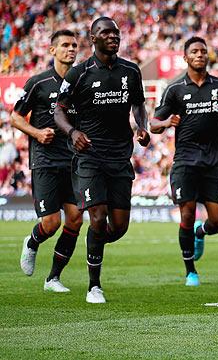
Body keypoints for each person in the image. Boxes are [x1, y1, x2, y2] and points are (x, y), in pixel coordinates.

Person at [54, 17, 150, 304]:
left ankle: (92, 243)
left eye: (116, 33)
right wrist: (72, 132)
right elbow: (58, 112)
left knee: (118, 227)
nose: (113, 37)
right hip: (90, 157)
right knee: (97, 218)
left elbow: (138, 105)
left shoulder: (131, 71)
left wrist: (141, 127)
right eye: (105, 33)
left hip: (120, 157)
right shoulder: (79, 73)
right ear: (93, 38)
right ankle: (94, 286)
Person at [150, 36, 218, 287]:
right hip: (186, 162)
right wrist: (167, 123)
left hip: (215, 162)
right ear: (185, 57)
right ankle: (190, 271)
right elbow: (153, 124)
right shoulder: (175, 89)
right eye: (194, 51)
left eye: (203, 51)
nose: (200, 54)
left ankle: (201, 232)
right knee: (186, 214)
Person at [16, 30, 83, 293]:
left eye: (74, 45)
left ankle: (53, 278)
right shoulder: (38, 82)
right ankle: (32, 243)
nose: (71, 49)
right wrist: (37, 133)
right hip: (44, 160)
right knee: (51, 223)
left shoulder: (82, 82)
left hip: (73, 161)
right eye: (65, 45)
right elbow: (16, 117)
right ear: (52, 50)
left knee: (76, 219)